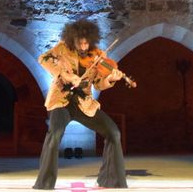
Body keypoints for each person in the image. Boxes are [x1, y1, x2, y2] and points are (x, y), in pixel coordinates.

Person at [33, 19, 128, 190]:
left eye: (86, 43)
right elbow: (43, 58)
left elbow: (99, 84)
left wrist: (110, 79)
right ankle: (44, 184)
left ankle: (111, 179)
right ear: (73, 40)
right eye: (80, 43)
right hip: (61, 100)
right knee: (55, 134)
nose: (84, 47)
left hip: (84, 103)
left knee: (113, 132)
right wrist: (65, 75)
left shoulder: (98, 55)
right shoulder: (63, 48)